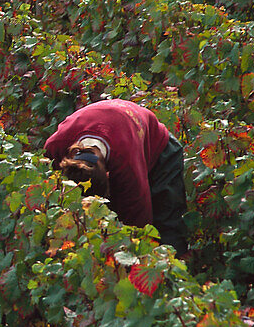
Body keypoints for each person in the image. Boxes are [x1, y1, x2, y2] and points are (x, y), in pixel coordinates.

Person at [44, 99, 188, 254]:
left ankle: (176, 273)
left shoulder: (127, 166)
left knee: (166, 228)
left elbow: (138, 227)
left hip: (160, 150)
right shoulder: (55, 147)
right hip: (115, 121)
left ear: (109, 175)